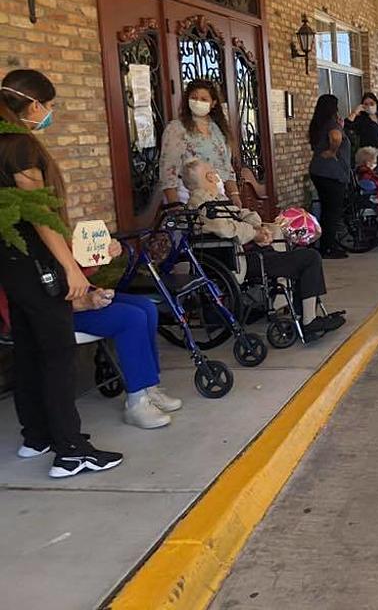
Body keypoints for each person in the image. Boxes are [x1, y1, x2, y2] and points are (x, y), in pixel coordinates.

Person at [0, 69, 123, 478]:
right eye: (48, 105)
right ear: (34, 105)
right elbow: (41, 218)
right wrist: (71, 268)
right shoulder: (18, 147)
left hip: (11, 264)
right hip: (35, 262)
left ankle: (36, 436)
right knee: (56, 354)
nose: (49, 113)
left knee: (29, 351)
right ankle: (70, 450)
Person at [183, 159, 341, 340]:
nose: (216, 174)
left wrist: (259, 228)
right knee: (309, 258)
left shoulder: (216, 199)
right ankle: (309, 322)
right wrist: (254, 234)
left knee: (295, 255)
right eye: (212, 170)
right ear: (209, 177)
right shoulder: (200, 204)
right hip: (240, 259)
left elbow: (243, 214)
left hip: (250, 252)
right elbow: (223, 229)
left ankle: (303, 312)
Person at [72, 259, 182, 430]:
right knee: (131, 317)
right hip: (61, 306)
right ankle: (136, 401)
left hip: (83, 291)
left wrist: (102, 251)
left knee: (147, 307)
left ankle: (149, 387)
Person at [160, 79, 242, 206]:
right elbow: (168, 171)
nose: (198, 102)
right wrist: (174, 206)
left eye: (204, 99)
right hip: (188, 195)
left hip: (218, 195)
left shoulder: (218, 130)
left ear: (213, 103)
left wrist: (234, 194)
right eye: (194, 98)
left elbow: (226, 166)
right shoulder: (177, 128)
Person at [308, 94, 350, 260]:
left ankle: (326, 244)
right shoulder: (331, 124)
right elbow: (336, 137)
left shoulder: (318, 124)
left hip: (318, 171)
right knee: (333, 210)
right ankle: (329, 247)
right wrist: (333, 151)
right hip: (332, 173)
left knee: (327, 209)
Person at [348, 92, 378, 180]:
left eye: (372, 103)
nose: (369, 106)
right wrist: (355, 112)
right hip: (369, 160)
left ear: (376, 104)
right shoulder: (361, 120)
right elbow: (347, 125)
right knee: (373, 185)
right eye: (366, 104)